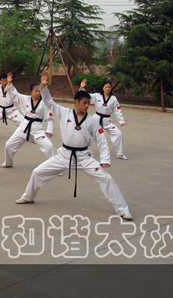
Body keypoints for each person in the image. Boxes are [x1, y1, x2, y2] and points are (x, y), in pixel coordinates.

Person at [15, 72, 133, 221]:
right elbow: (50, 102)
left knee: (106, 178)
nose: (87, 106)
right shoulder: (64, 113)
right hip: (64, 155)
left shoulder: (92, 121)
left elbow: (102, 140)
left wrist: (105, 159)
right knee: (37, 172)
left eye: (88, 103)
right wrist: (43, 87)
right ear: (76, 102)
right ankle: (28, 196)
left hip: (84, 157)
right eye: (85, 103)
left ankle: (123, 210)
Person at [0, 73, 56, 168]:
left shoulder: (44, 103)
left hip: (38, 129)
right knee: (9, 145)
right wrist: (9, 83)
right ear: (31, 92)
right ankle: (7, 163)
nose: (38, 93)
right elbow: (14, 94)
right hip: (24, 127)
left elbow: (50, 118)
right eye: (36, 91)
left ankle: (55, 167)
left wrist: (49, 130)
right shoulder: (25, 99)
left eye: (39, 91)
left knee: (49, 146)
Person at [80, 78, 128, 160]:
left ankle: (120, 154)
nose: (108, 89)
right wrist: (82, 88)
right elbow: (86, 96)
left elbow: (117, 110)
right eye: (106, 87)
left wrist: (121, 121)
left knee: (118, 134)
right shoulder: (97, 96)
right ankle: (82, 152)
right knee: (86, 132)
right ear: (103, 88)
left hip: (107, 120)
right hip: (97, 118)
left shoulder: (113, 99)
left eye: (109, 87)